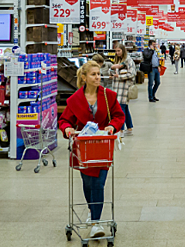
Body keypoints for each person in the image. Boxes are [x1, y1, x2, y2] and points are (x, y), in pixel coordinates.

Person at [59, 60, 125, 238]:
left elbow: (119, 115)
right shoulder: (75, 100)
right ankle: (92, 210)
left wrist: (112, 126)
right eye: (94, 74)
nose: (98, 77)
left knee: (98, 184)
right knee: (87, 183)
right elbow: (64, 120)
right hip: (83, 149)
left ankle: (96, 223)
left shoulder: (108, 95)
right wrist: (67, 129)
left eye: (98, 74)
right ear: (84, 77)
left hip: (102, 146)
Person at [110, 43, 136, 136]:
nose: (117, 53)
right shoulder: (118, 60)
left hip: (125, 88)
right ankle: (129, 128)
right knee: (125, 107)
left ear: (123, 50)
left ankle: (120, 130)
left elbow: (132, 74)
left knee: (121, 108)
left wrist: (120, 76)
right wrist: (112, 74)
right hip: (117, 88)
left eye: (119, 51)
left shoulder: (128, 60)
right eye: (116, 51)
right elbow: (114, 70)